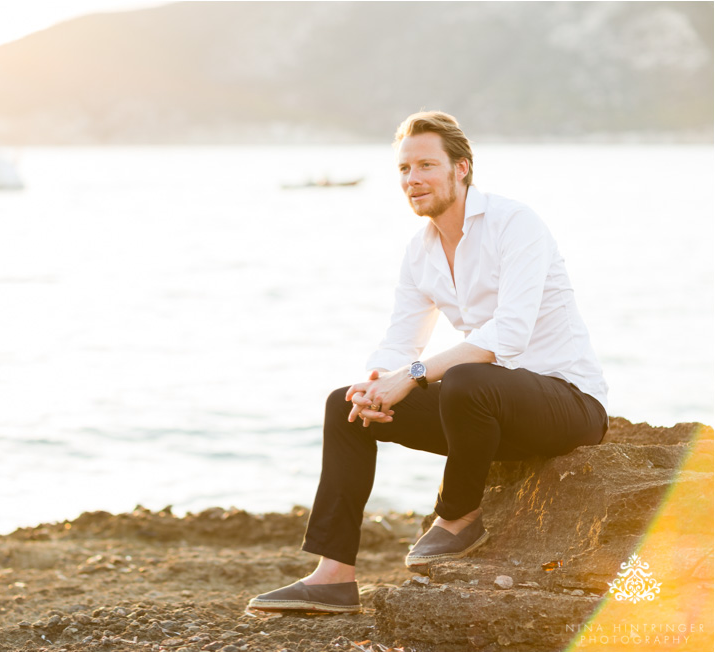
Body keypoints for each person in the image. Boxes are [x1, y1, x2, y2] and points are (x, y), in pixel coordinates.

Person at [247, 111, 608, 614]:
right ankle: (333, 577)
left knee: (466, 379)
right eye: (403, 169)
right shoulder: (420, 252)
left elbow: (509, 333)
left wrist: (410, 377)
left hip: (566, 403)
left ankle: (459, 518)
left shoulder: (514, 223)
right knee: (344, 407)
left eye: (425, 166)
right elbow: (400, 342)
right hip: (487, 416)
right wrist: (374, 385)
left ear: (461, 169)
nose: (412, 179)